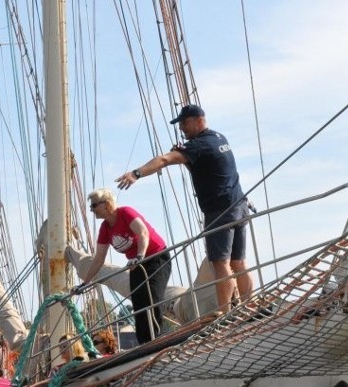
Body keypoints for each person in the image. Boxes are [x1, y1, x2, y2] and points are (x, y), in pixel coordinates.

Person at [116, 104, 253, 313]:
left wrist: (137, 173)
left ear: (199, 120)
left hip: (219, 212)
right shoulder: (219, 138)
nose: (181, 127)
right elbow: (208, 166)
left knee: (221, 263)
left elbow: (164, 160)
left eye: (184, 122)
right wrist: (188, 159)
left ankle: (226, 313)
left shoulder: (197, 146)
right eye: (179, 124)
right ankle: (248, 306)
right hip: (239, 205)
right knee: (239, 262)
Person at [73, 189, 172, 344]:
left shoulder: (125, 212)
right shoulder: (105, 228)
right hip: (136, 264)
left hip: (156, 257)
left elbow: (143, 233)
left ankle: (157, 340)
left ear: (106, 205)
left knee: (152, 297)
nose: (91, 210)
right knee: (139, 303)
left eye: (93, 206)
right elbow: (98, 259)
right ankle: (145, 344)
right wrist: (85, 283)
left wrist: (139, 256)